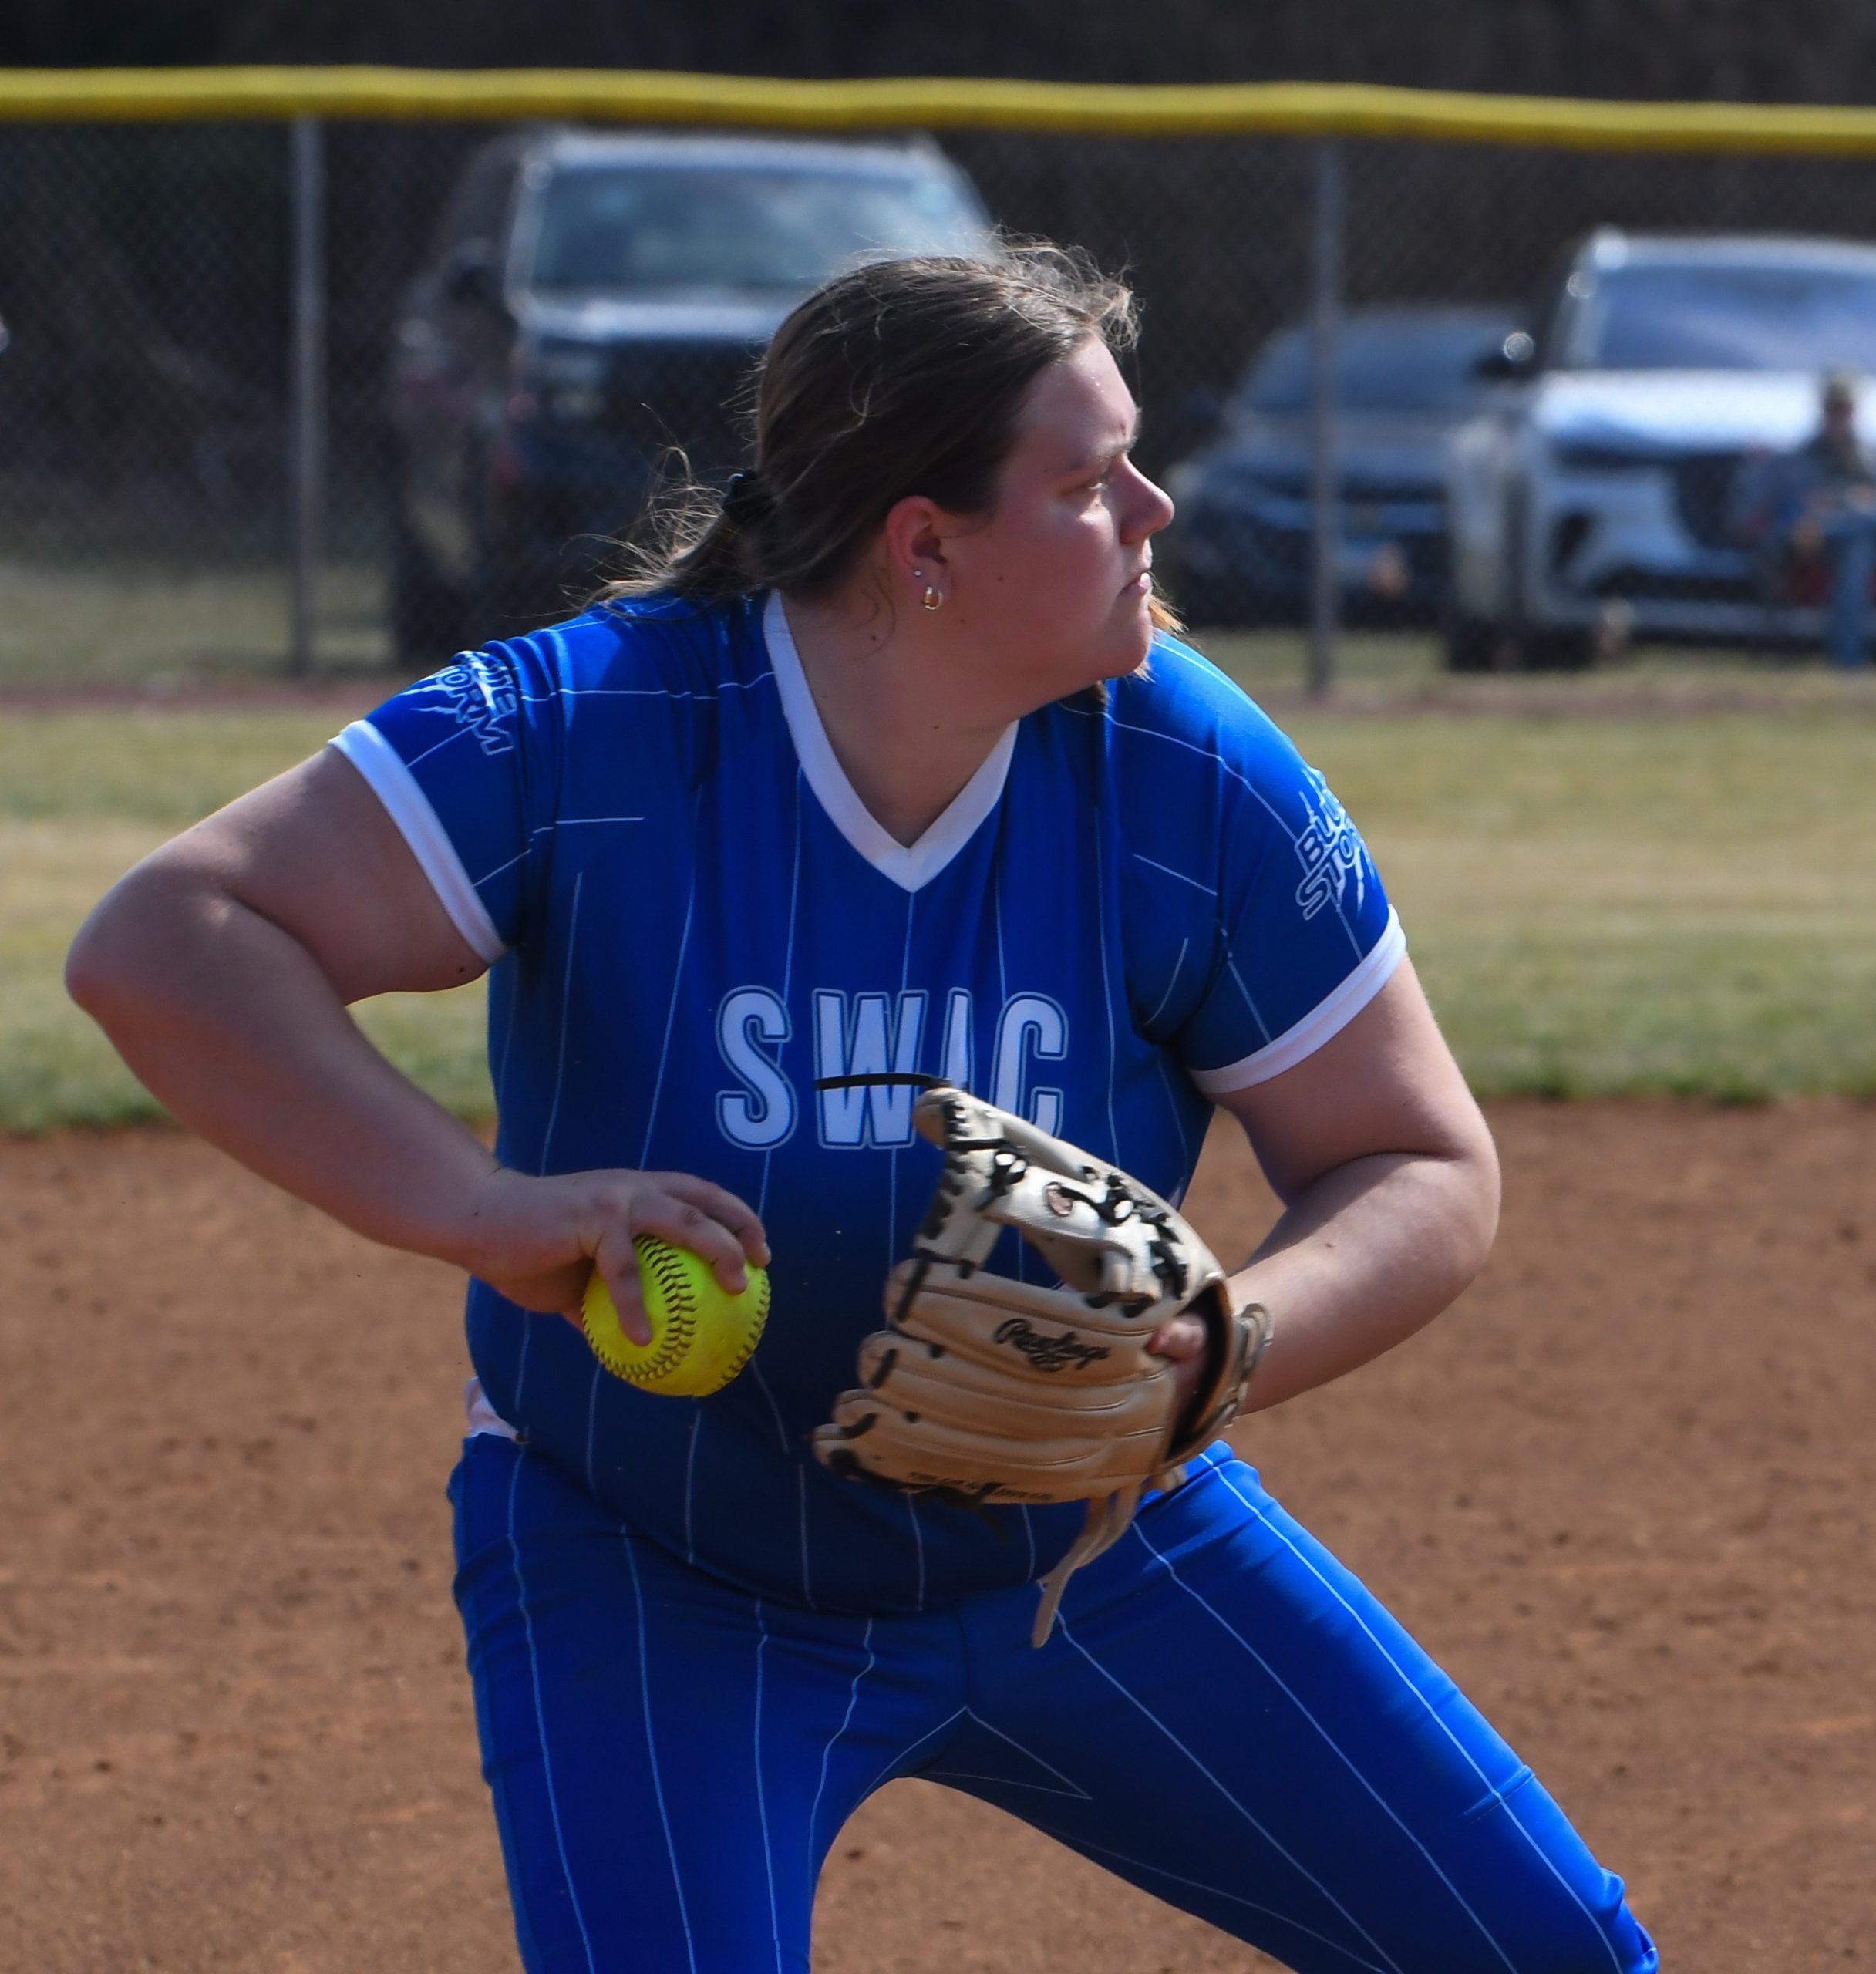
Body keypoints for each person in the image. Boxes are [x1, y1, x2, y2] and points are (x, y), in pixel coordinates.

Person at [67, 246, 1656, 1973]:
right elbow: (169, 939)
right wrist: (483, 1209)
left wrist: (1223, 1342)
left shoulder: (1183, 769)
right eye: (1082, 479)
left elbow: (1417, 1157)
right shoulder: (602, 728)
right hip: (663, 1567)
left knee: (1549, 1955)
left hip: (1090, 1555)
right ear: (922, 545)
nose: (1153, 502)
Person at [1733, 369, 1876, 669]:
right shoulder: (1798, 456)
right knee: (1857, 536)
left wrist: (1857, 501)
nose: (1838, 416)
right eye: (1832, 408)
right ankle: (1846, 658)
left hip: (1853, 536)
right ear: (1822, 410)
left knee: (1858, 545)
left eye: (1844, 408)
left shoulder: (1866, 458)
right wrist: (1807, 507)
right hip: (1804, 533)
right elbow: (1775, 505)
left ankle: (1846, 658)